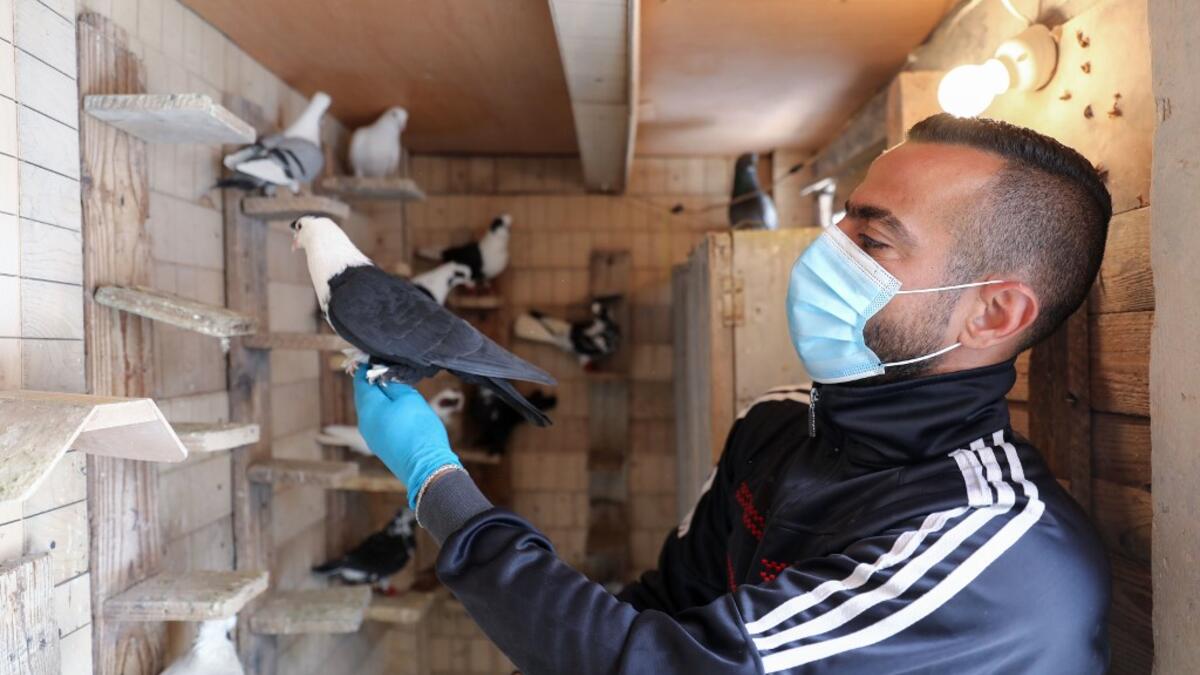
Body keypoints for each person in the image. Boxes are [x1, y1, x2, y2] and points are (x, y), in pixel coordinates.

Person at [354, 114, 1112, 674]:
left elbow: (653, 665)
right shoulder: (779, 421)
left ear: (994, 313)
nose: (826, 252)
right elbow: (662, 609)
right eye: (839, 221)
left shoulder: (990, 550)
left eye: (872, 241)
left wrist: (436, 480)